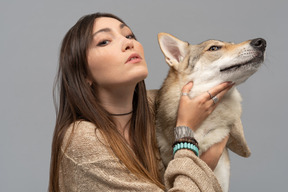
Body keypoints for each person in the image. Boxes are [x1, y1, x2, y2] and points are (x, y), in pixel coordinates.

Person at [49, 12, 233, 192]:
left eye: (129, 35)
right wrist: (186, 132)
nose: (129, 43)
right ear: (83, 74)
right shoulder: (81, 139)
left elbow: (224, 116)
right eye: (104, 41)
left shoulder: (159, 107)